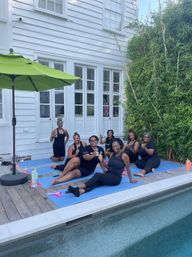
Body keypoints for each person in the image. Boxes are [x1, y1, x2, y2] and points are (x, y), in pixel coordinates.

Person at [67, 138, 137, 197]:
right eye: (113, 146)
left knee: (97, 175)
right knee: (97, 183)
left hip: (116, 178)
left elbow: (128, 168)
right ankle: (80, 192)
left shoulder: (124, 156)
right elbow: (108, 167)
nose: (114, 148)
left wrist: (131, 179)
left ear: (120, 145)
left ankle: (77, 188)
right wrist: (102, 160)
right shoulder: (112, 154)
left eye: (116, 146)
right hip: (109, 174)